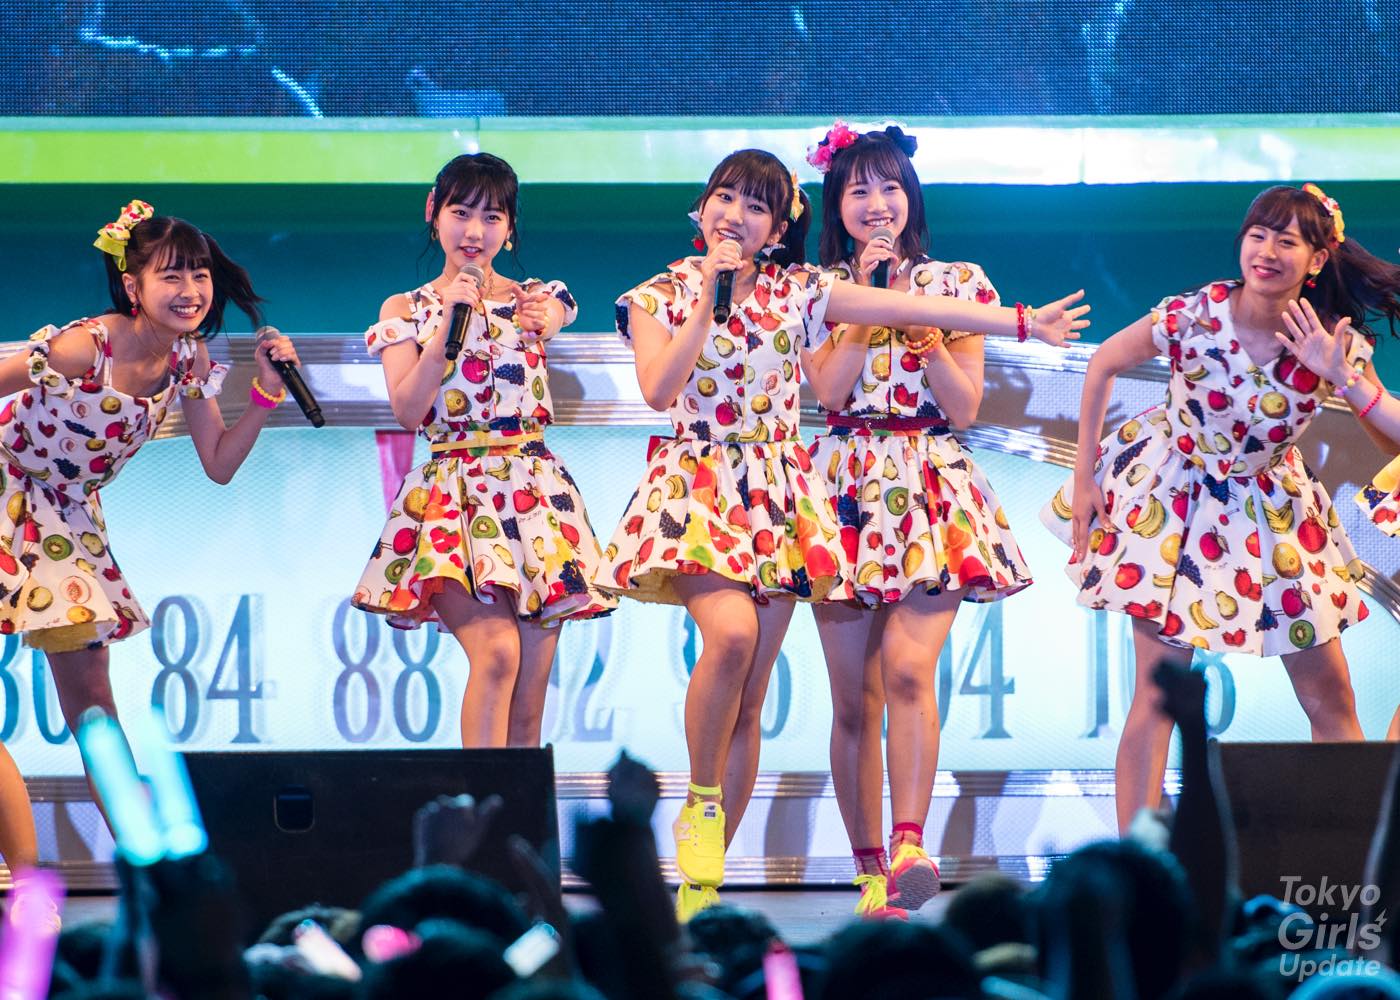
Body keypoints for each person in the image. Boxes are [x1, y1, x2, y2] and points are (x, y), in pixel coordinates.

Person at [598, 147, 1088, 920]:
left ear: (778, 228)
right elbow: (660, 388)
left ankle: (700, 890)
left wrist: (1024, 322)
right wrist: (707, 300)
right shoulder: (658, 293)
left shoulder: (800, 290)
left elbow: (928, 317)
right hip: (698, 485)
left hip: (780, 496)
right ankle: (703, 802)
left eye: (757, 206)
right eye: (726, 197)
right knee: (733, 638)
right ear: (702, 208)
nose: (737, 215)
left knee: (754, 699)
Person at [1043, 183, 1400, 831]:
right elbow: (1102, 364)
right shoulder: (1194, 313)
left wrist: (1343, 377)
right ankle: (1139, 863)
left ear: (1317, 260)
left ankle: (1355, 858)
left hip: (1277, 516)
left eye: (1287, 241)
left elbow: (1389, 439)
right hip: (1174, 508)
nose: (1266, 251)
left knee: (1330, 695)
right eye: (1258, 235)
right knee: (1156, 697)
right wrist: (1085, 474)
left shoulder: (1331, 344)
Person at [0, 198, 299, 869]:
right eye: (171, 275)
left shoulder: (188, 360)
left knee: (94, 709)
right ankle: (30, 885)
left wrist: (267, 392)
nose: (190, 290)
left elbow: (218, 463)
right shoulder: (85, 347)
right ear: (132, 287)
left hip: (63, 520)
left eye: (199, 274)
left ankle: (159, 878)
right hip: (4, 482)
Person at [804, 121, 1035, 918]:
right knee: (852, 700)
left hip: (929, 485)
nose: (877, 204)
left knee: (908, 671)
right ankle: (870, 872)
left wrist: (926, 333)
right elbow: (828, 392)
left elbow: (965, 406)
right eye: (859, 190)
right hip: (841, 487)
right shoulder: (816, 291)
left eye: (890, 188)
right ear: (837, 206)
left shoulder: (958, 282)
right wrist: (869, 303)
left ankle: (910, 845)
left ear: (911, 198)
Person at [353, 153, 614, 749]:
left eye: (492, 217)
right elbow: (407, 409)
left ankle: (517, 810)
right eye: (461, 212)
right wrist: (450, 319)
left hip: (534, 495)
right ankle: (478, 808)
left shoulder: (534, 299)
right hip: (455, 496)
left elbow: (560, 310)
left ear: (510, 228)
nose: (474, 231)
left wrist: (549, 316)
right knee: (496, 655)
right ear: (433, 212)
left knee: (531, 689)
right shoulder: (406, 309)